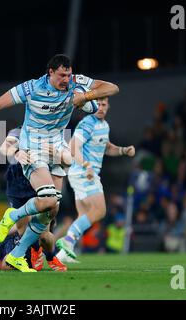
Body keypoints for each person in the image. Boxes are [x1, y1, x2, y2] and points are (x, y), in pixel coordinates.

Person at [0, 54, 119, 272]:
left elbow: (112, 88)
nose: (66, 79)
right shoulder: (31, 88)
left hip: (56, 150)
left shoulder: (76, 83)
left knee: (50, 212)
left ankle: (20, 255)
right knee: (47, 199)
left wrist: (86, 96)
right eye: (61, 75)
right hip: (33, 148)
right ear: (50, 73)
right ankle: (14, 220)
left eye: (68, 74)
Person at [56, 97, 135, 262]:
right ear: (90, 106)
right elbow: (73, 147)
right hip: (84, 172)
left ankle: (63, 254)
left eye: (103, 104)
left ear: (108, 106)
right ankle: (67, 240)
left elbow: (106, 147)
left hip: (84, 173)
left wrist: (123, 150)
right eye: (97, 104)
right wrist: (86, 165)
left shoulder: (103, 126)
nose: (100, 107)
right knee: (99, 211)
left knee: (84, 214)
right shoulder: (87, 123)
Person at [0, 126, 68, 271]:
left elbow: (68, 161)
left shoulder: (54, 135)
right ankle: (34, 249)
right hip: (17, 186)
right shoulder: (19, 131)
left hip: (39, 186)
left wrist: (58, 155)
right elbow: (4, 147)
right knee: (23, 231)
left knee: (44, 235)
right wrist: (17, 152)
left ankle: (50, 256)